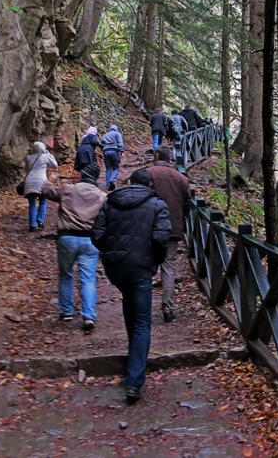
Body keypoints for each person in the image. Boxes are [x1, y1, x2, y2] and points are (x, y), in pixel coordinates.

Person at [92, 169, 170, 404]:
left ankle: (133, 355)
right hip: (141, 267)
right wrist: (155, 259)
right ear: (150, 185)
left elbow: (97, 233)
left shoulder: (111, 202)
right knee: (142, 322)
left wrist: (109, 253)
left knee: (130, 305)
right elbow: (161, 238)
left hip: (116, 267)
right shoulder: (158, 204)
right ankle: (134, 381)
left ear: (129, 182)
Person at [43, 163, 108, 329]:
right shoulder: (101, 196)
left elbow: (47, 191)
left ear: (80, 176)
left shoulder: (68, 189)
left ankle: (66, 311)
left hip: (67, 238)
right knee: (88, 278)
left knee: (66, 275)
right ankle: (89, 315)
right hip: (90, 240)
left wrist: (49, 180)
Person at [147, 146, 191, 323]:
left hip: (149, 228)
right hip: (172, 229)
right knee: (168, 268)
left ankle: (143, 307)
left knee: (146, 267)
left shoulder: (148, 174)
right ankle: (168, 308)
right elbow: (187, 204)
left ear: (157, 156)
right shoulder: (181, 178)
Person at [24, 141, 58, 232]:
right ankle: (40, 220)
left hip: (29, 182)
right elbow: (55, 165)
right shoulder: (45, 157)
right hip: (41, 181)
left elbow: (26, 170)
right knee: (43, 201)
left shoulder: (29, 158)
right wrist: (49, 154)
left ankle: (32, 225)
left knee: (32, 204)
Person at [101, 124, 124, 190]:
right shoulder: (117, 134)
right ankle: (112, 179)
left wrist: (103, 149)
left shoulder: (105, 135)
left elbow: (101, 143)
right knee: (116, 168)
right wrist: (122, 151)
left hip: (106, 151)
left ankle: (108, 186)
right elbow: (120, 143)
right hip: (114, 151)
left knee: (108, 169)